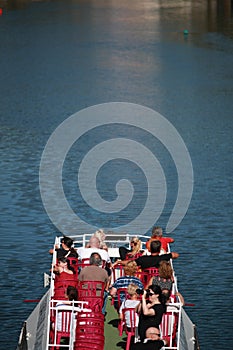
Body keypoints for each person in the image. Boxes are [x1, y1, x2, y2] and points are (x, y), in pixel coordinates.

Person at [115, 240, 179, 271]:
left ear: (150, 250)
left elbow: (130, 262)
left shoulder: (143, 259)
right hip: (157, 279)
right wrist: (164, 251)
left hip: (145, 279)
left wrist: (119, 262)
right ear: (159, 250)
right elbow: (176, 255)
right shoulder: (163, 258)